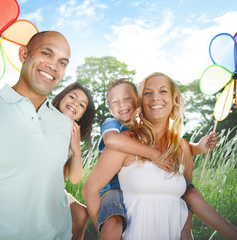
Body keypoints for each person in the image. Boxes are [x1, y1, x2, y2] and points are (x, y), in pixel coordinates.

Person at [82, 73, 237, 239]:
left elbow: (188, 197)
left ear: (174, 99)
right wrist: (108, 232)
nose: (155, 97)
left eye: (163, 91)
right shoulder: (123, 143)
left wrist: (186, 231)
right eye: (148, 93)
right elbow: (89, 189)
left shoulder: (183, 147)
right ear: (141, 102)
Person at [0, 31, 73, 239]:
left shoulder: (64, 124)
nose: (54, 66)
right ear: (23, 54)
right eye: (46, 53)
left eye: (62, 62)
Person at [52, 82, 95, 240]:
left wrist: (76, 149)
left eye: (81, 105)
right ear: (62, 97)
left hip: (54, 191)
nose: (74, 103)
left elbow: (75, 178)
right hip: (33, 188)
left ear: (82, 115)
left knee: (81, 213)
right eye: (72, 97)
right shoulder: (43, 116)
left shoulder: (71, 136)